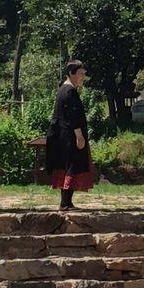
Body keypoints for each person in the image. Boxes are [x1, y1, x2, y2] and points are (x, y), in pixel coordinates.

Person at [46, 60, 95, 210]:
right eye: (80, 74)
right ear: (71, 74)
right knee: (72, 166)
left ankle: (66, 202)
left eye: (84, 74)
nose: (83, 77)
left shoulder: (63, 89)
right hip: (68, 135)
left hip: (61, 135)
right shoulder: (69, 91)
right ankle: (65, 202)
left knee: (66, 167)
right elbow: (72, 116)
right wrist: (79, 136)